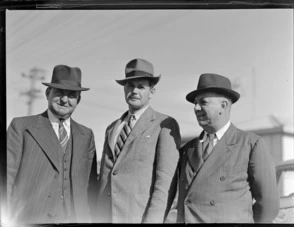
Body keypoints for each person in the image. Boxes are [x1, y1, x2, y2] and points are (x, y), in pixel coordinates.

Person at [167, 73, 279, 223]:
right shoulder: (186, 150)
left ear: (223, 105)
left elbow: (268, 206)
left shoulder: (251, 145)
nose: (196, 108)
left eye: (203, 102)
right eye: (195, 102)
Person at [7, 65, 98, 224]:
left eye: (71, 95)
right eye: (59, 93)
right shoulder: (21, 127)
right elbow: (5, 179)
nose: (64, 100)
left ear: (78, 99)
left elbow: (91, 187)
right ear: (48, 93)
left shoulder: (86, 135)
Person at [96, 58, 181, 223]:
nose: (134, 91)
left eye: (141, 86)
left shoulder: (164, 125)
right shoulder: (113, 128)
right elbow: (106, 177)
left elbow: (165, 183)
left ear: (152, 92)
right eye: (129, 85)